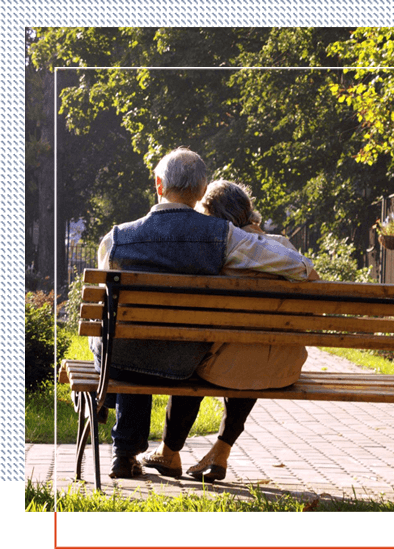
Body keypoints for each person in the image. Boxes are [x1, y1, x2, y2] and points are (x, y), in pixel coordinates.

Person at [89, 147, 317, 479]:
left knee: (124, 337)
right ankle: (130, 449)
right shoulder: (224, 237)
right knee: (142, 343)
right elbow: (298, 266)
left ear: (158, 184)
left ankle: (123, 452)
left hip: (123, 358)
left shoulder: (116, 239)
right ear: (200, 190)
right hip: (183, 361)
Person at [141, 180, 318, 481]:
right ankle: (220, 453)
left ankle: (169, 452)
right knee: (253, 346)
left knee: (196, 355)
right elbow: (312, 278)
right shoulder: (283, 247)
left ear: (210, 214)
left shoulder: (220, 252)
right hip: (283, 368)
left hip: (224, 367)